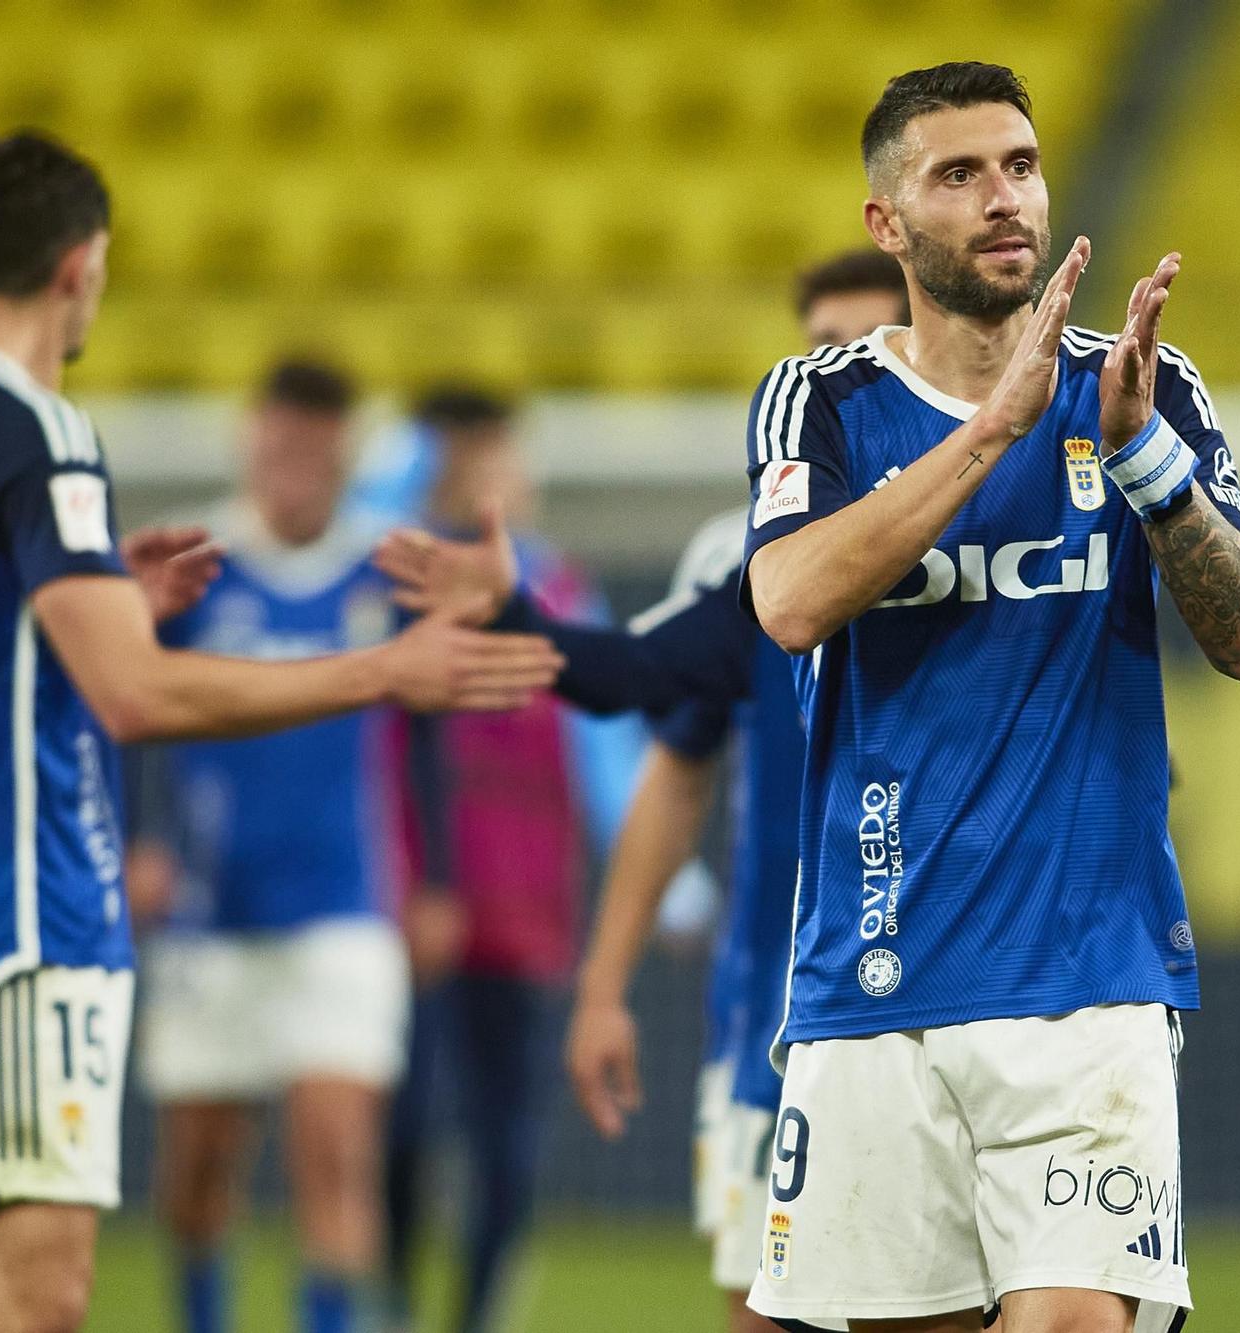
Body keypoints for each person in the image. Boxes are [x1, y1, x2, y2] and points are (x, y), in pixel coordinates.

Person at [0, 131, 561, 1333]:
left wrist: (71, 595)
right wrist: (384, 666)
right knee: (38, 1294)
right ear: (82, 266)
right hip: (18, 920)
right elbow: (137, 700)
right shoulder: (39, 429)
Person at [735, 63, 1240, 1333]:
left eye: (1020, 167)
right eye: (958, 173)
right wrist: (988, 432)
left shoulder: (1143, 384)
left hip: (1085, 984)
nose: (1002, 200)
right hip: (875, 984)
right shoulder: (819, 399)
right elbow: (791, 603)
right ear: (887, 221)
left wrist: (1142, 452)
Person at [376, 249, 907, 1333]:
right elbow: (654, 720)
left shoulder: (1010, 514)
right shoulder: (747, 555)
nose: (837, 377)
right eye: (817, 353)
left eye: (864, 348)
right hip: (778, 1020)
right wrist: (607, 980)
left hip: (961, 1012)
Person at [126, 358, 412, 1333]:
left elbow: (431, 732)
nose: (295, 462)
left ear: (345, 450)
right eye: (279, 441)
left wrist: (435, 876)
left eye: (315, 445)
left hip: (340, 902)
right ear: (249, 441)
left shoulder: (387, 568)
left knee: (335, 1146)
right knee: (199, 1170)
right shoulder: (196, 565)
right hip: (211, 907)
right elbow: (127, 704)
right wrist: (140, 839)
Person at [381, 386, 644, 1333]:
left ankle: (476, 1314)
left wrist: (665, 877)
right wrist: (421, 882)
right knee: (404, 1127)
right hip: (418, 902)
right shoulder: (402, 581)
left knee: (507, 1139)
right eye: (486, 459)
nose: (508, 480)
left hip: (531, 900)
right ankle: (391, 1307)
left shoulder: (560, 589)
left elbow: (608, 737)